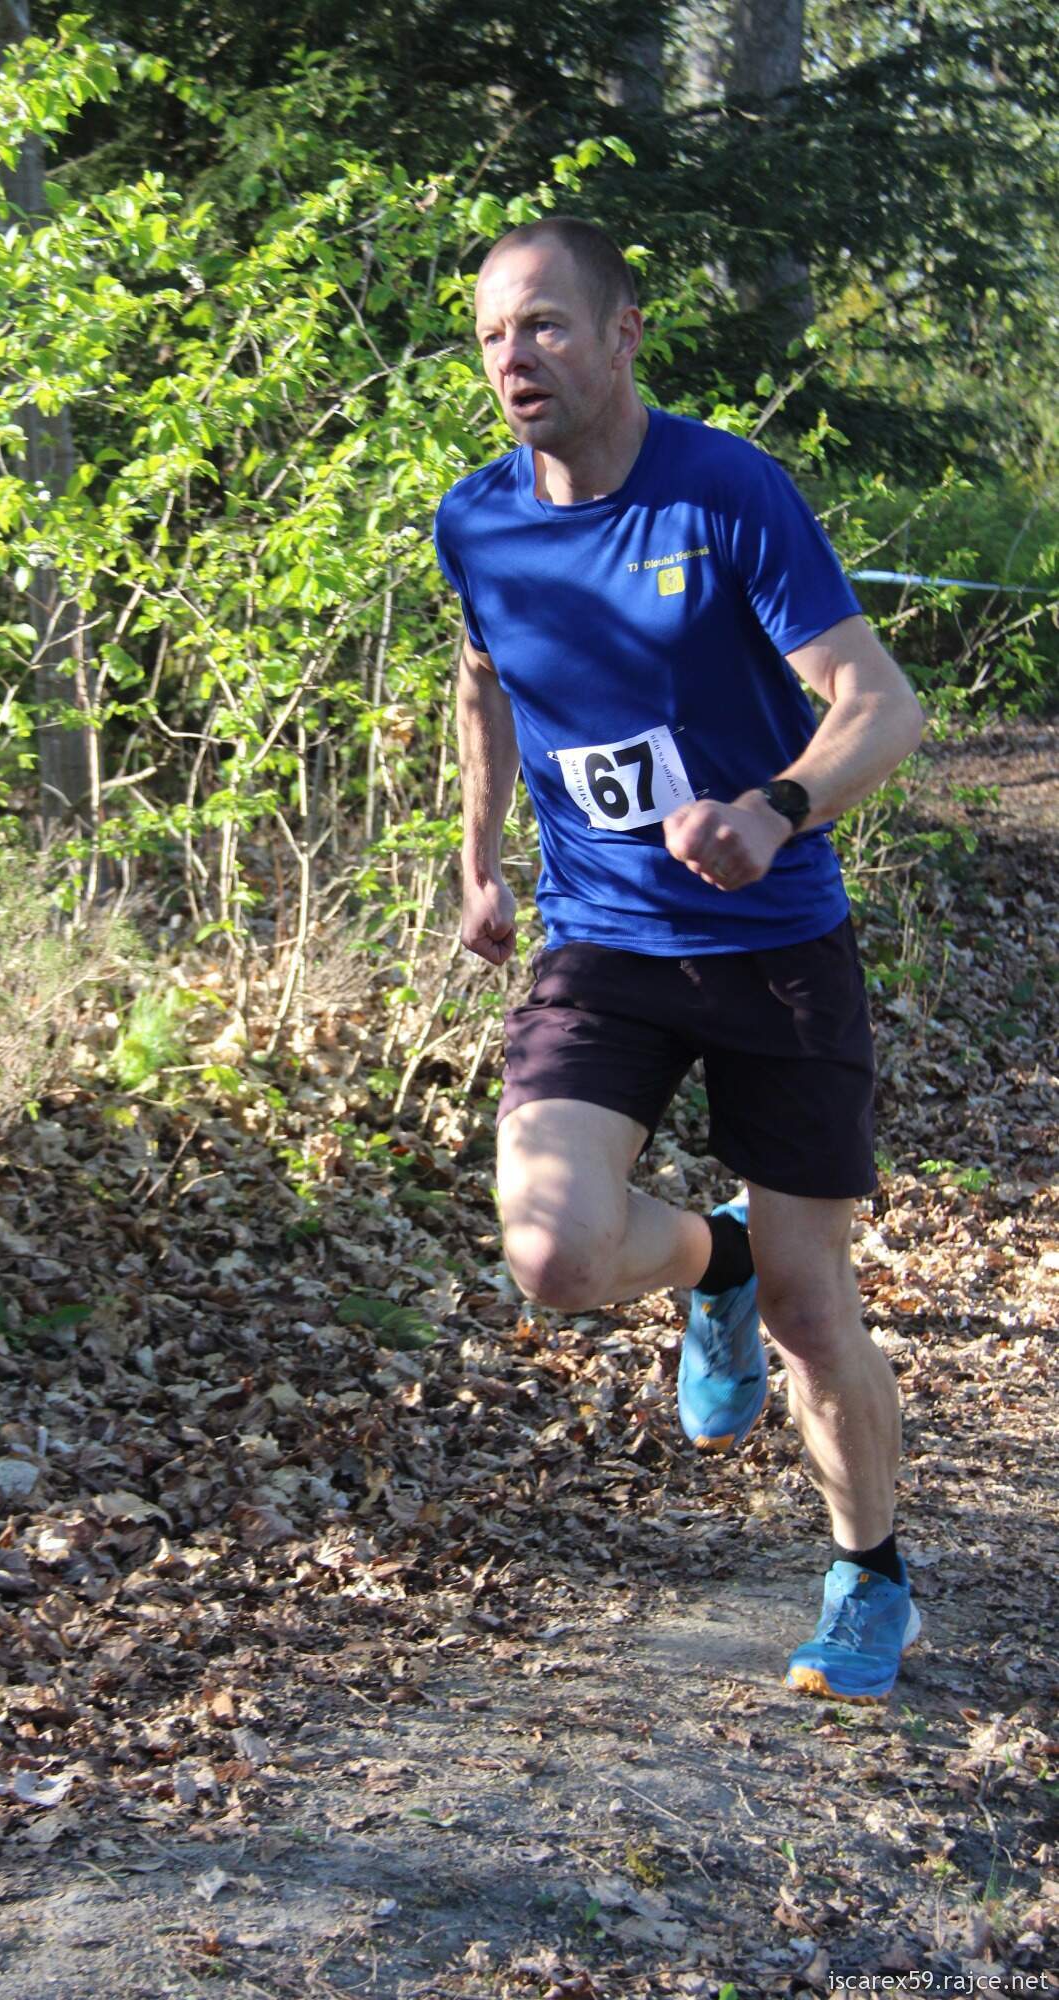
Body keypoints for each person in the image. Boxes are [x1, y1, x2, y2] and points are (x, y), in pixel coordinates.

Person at [434, 216, 925, 1702]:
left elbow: (879, 704)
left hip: (774, 945)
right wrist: (478, 854)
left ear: (623, 333)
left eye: (544, 325)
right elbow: (482, 676)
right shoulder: (476, 521)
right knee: (553, 1255)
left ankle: (867, 1574)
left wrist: (776, 807)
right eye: (492, 336)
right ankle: (709, 1257)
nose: (515, 358)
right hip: (601, 942)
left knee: (811, 1309)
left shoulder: (725, 493)